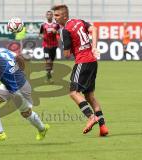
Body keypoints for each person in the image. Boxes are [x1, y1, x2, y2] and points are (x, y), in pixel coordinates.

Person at [52, 4, 108, 136]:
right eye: (54, 15)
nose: (55, 18)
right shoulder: (79, 21)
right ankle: (103, 126)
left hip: (82, 62)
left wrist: (67, 44)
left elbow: (66, 54)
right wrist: (93, 47)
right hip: (93, 61)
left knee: (73, 92)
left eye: (57, 15)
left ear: (65, 16)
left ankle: (91, 117)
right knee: (90, 96)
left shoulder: (65, 30)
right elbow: (94, 29)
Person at [39, 10, 60, 83]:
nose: (49, 16)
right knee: (48, 60)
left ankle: (49, 71)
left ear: (52, 16)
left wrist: (56, 32)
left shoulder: (56, 25)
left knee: (52, 61)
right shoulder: (43, 25)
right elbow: (40, 34)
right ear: (46, 16)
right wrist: (43, 36)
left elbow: (59, 33)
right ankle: (49, 76)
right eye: (48, 15)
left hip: (54, 45)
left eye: (50, 15)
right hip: (46, 45)